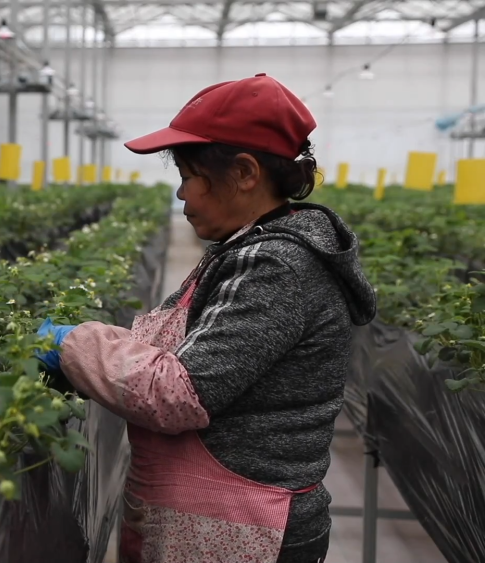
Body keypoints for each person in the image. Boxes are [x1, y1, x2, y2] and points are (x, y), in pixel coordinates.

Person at [37, 73, 377, 563]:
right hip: (221, 521)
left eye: (188, 177)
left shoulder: (276, 266)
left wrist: (75, 345)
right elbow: (180, 350)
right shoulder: (244, 247)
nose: (181, 195)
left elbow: (179, 393)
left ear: (244, 173)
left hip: (245, 529)